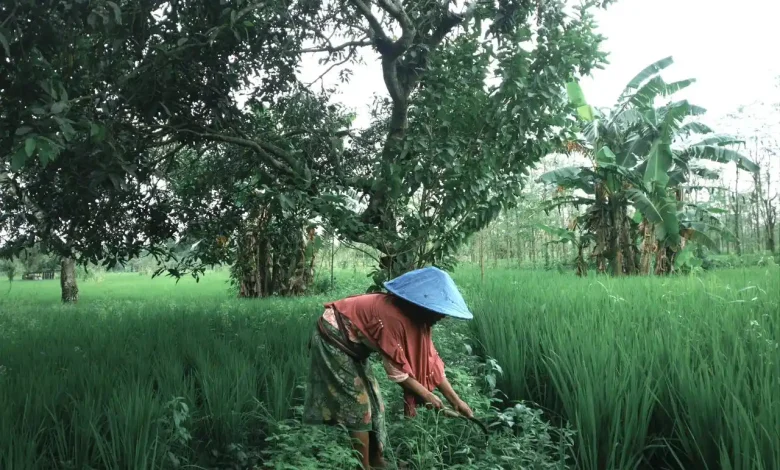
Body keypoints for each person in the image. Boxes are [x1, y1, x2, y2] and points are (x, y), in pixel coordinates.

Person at [303, 266, 475, 469]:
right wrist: (429, 397)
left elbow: (432, 364)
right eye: (439, 310)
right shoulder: (393, 318)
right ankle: (364, 466)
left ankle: (378, 461)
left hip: (354, 345)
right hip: (333, 338)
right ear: (424, 305)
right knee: (359, 406)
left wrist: (457, 401)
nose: (443, 317)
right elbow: (397, 373)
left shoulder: (418, 322)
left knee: (376, 404)